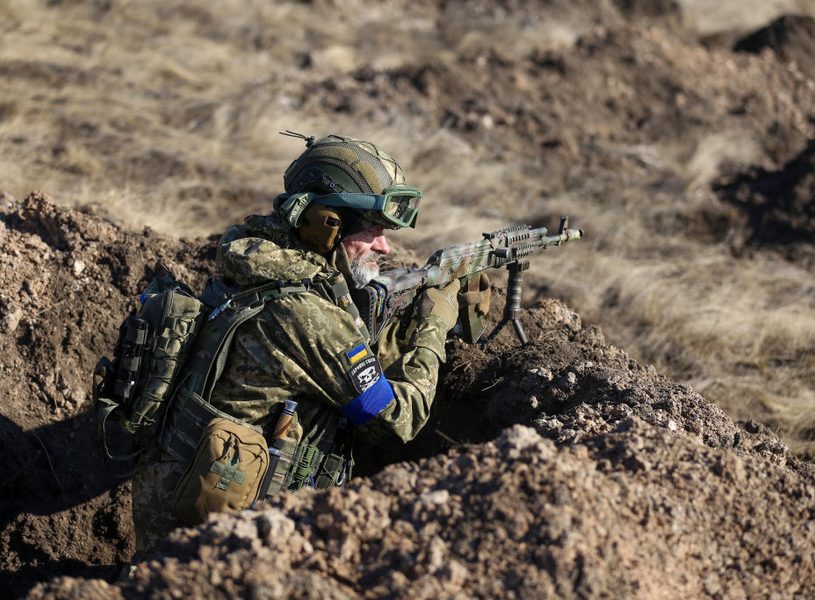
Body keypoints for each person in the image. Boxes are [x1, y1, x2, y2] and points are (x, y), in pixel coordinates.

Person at [130, 133, 490, 554]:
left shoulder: (260, 262)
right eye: (374, 231)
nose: (385, 246)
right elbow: (400, 422)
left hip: (178, 511)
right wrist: (435, 321)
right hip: (229, 548)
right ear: (326, 224)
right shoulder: (308, 315)